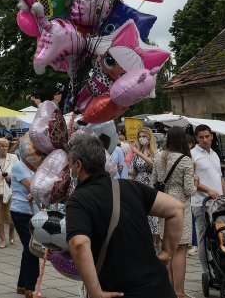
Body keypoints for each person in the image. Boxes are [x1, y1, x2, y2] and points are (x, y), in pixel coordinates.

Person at [66, 133, 183, 298]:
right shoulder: (131, 187)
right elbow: (176, 209)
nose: (70, 168)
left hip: (119, 290)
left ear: (78, 165)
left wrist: (95, 292)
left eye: (70, 163)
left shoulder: (78, 200)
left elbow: (78, 243)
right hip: (160, 288)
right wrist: (166, 253)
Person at [152, 127, 196, 298]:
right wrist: (196, 180)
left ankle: (169, 290)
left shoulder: (158, 157)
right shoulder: (185, 160)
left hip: (163, 204)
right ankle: (179, 292)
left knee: (167, 248)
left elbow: (154, 181)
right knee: (180, 249)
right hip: (180, 206)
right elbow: (189, 190)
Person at [190, 124, 225, 272]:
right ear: (196, 138)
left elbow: (219, 177)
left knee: (220, 236)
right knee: (203, 239)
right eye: (201, 137)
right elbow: (191, 178)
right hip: (201, 203)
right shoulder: (192, 154)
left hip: (218, 203)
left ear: (211, 136)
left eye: (207, 136)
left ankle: (220, 269)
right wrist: (208, 190)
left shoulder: (214, 154)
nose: (205, 140)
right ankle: (208, 272)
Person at [9, 138, 43, 298]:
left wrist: (35, 191)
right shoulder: (19, 166)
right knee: (33, 249)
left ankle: (22, 285)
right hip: (21, 213)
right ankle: (31, 288)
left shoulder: (37, 168)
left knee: (27, 248)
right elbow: (35, 186)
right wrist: (35, 190)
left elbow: (39, 187)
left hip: (33, 212)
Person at [129, 128, 161, 248]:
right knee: (142, 212)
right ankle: (145, 240)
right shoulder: (137, 153)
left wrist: (138, 153)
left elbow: (153, 165)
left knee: (153, 213)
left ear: (149, 137)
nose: (142, 138)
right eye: (140, 136)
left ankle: (157, 241)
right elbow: (134, 171)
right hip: (139, 184)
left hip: (151, 184)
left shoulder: (156, 152)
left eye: (144, 136)